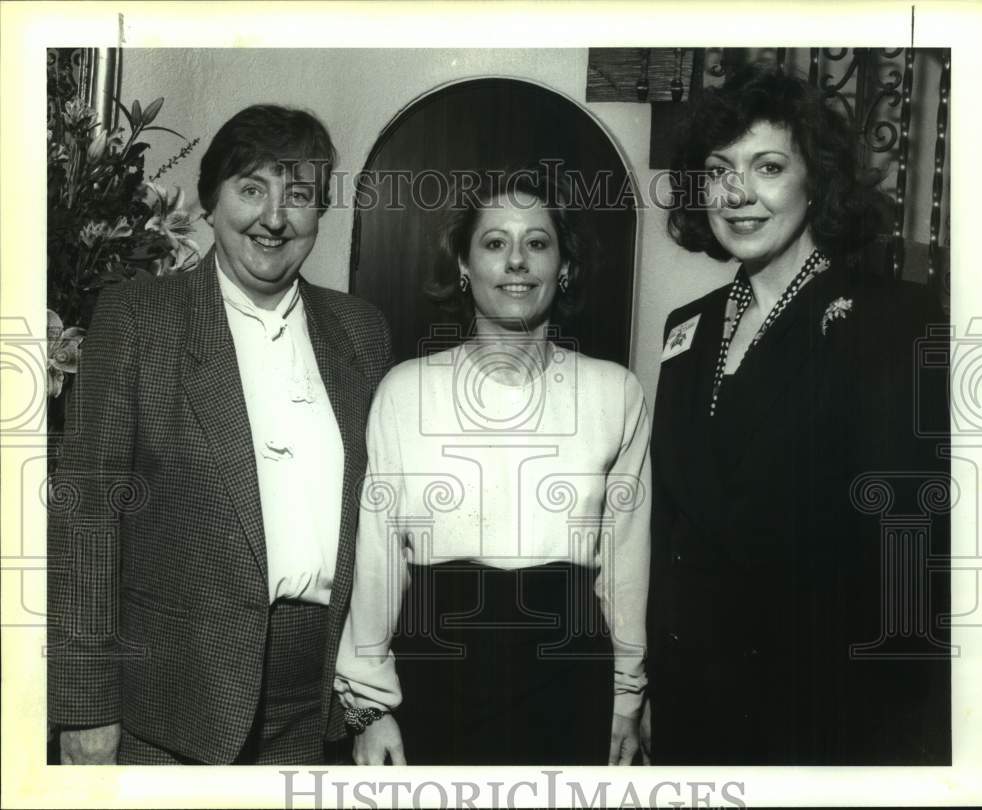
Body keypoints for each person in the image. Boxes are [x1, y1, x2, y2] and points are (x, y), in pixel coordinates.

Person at [47, 104, 394, 765]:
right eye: (251, 188)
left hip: (311, 708)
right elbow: (87, 520)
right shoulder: (141, 318)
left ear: (320, 213)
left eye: (297, 195)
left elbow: (382, 528)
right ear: (210, 202)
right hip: (169, 709)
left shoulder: (361, 332)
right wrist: (86, 707)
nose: (274, 217)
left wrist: (369, 700)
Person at [647, 65, 951, 764]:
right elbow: (673, 526)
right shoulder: (685, 328)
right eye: (719, 170)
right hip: (695, 708)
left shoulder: (890, 319)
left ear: (818, 181)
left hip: (825, 713)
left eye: (769, 166)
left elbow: (911, 550)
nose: (738, 194)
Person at [334, 167, 651, 765]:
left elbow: (626, 565)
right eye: (494, 242)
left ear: (565, 267)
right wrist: (371, 708)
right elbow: (378, 558)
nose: (516, 263)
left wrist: (626, 699)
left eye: (537, 243)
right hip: (438, 671)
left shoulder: (616, 393)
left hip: (569, 673)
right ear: (463, 264)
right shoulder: (405, 391)